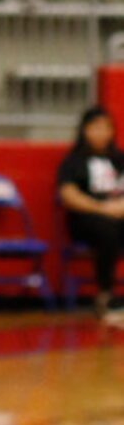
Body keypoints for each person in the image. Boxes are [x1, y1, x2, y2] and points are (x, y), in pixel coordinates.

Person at [56, 105, 124, 320]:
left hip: (119, 214)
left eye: (106, 127)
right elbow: (68, 194)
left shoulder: (119, 159)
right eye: (96, 127)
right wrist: (102, 208)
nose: (102, 132)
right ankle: (105, 295)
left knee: (114, 226)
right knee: (107, 229)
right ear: (85, 130)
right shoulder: (73, 161)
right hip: (87, 219)